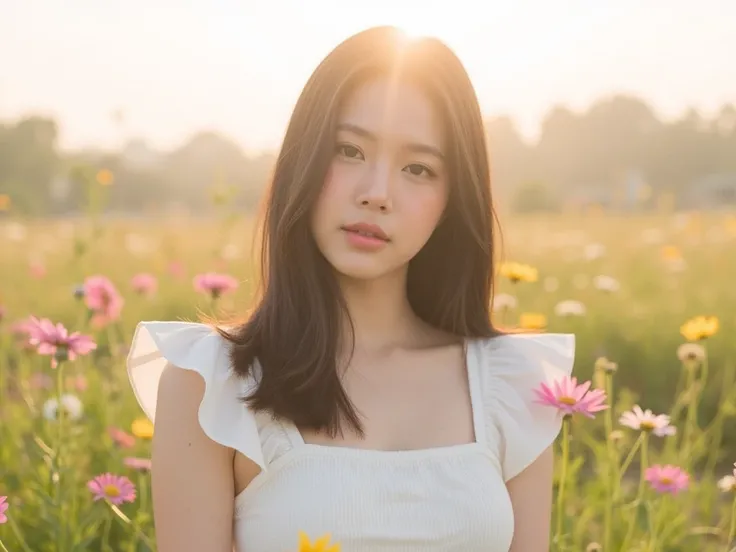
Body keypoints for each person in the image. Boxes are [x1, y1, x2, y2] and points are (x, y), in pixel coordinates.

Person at [126, 25, 574, 552]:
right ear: (303, 157)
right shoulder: (209, 383)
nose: (377, 194)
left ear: (453, 200)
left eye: (418, 168)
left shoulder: (511, 383)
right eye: (349, 151)